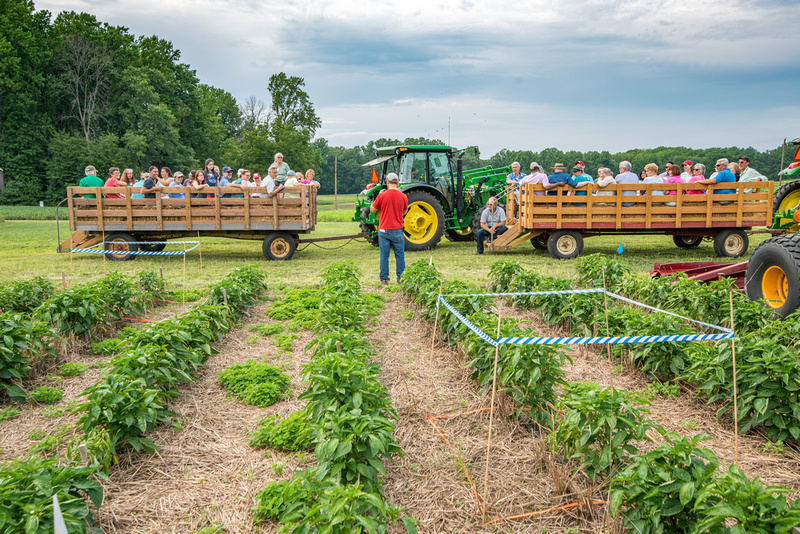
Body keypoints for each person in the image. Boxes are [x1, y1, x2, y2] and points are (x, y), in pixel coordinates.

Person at [370, 172, 408, 284]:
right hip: (397, 229)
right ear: (397, 183)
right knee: (400, 255)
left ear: (387, 182)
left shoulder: (382, 195)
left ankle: (384, 279)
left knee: (384, 255)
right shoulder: (403, 196)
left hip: (384, 229)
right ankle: (401, 278)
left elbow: (372, 209)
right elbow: (405, 211)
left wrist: (378, 196)